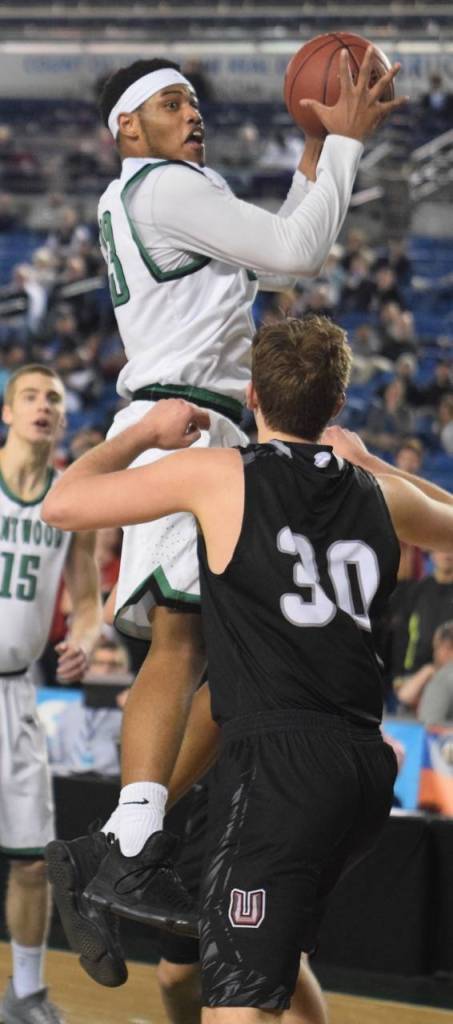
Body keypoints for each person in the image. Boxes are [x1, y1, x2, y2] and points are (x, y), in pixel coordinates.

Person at [51, 49, 404, 966]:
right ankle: (128, 843)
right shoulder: (163, 187)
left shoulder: (159, 194)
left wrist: (314, 156)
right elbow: (296, 254)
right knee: (183, 640)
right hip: (184, 426)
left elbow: (281, 237)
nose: (192, 113)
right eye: (172, 103)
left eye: (193, 101)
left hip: (199, 423)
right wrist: (346, 145)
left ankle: (119, 842)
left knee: (221, 647)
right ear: (128, 127)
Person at [42, 314, 453, 1017]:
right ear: (337, 404)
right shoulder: (378, 494)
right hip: (363, 765)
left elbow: (62, 504)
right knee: (278, 971)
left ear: (252, 396)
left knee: (236, 1003)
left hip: (278, 769)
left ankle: (119, 841)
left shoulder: (221, 476)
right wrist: (379, 464)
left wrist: (142, 434)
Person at [0, 364, 102, 1023]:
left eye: (54, 399)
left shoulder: (72, 500)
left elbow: (87, 599)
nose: (43, 405)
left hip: (16, 694)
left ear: (63, 419)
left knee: (34, 861)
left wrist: (86, 638)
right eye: (30, 395)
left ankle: (27, 994)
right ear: (7, 412)